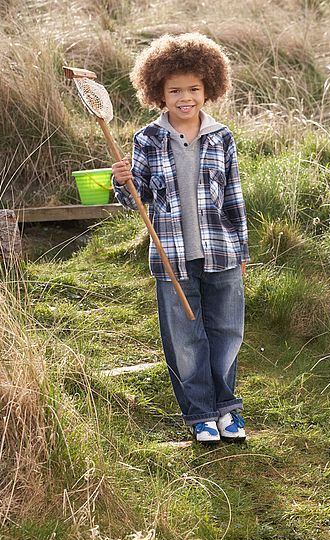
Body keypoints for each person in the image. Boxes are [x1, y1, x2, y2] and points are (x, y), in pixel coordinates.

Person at [112, 33, 249, 444]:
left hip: (221, 252)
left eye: (193, 89)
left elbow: (233, 198)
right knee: (186, 339)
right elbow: (139, 198)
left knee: (226, 331)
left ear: (209, 88)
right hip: (172, 255)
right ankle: (200, 414)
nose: (184, 97)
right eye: (174, 90)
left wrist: (242, 250)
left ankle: (227, 409)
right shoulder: (147, 140)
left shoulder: (221, 137)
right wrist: (123, 183)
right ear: (158, 92)